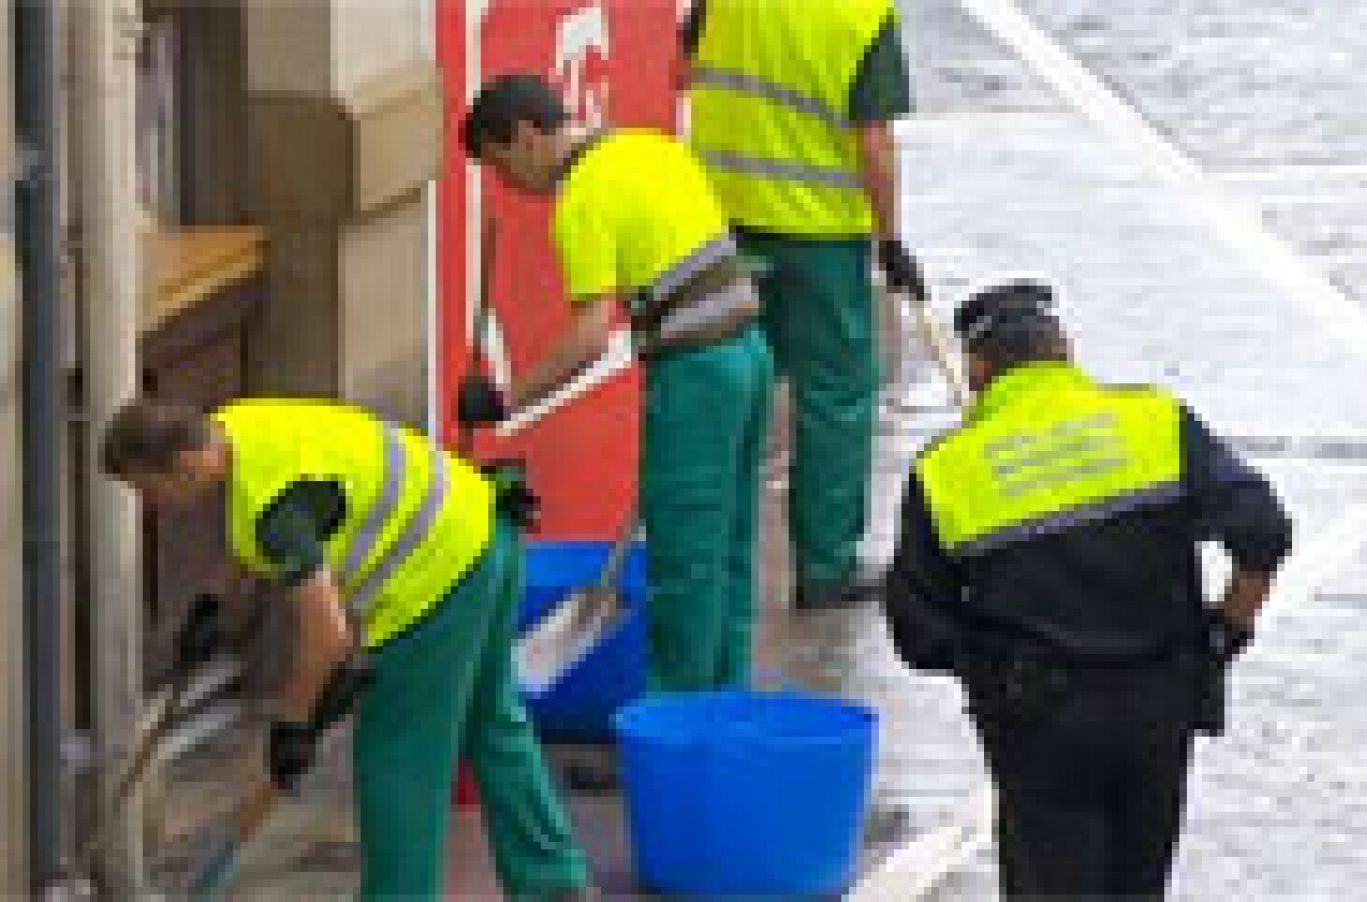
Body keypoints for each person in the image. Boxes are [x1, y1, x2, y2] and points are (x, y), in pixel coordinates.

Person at [883, 281, 1293, 899]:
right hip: (1161, 701)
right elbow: (1264, 532)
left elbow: (918, 632)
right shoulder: (1155, 421)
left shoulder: (948, 469)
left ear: (979, 371)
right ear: (1066, 353)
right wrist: (1226, 632)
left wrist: (995, 664)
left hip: (1039, 721)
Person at [101, 398, 591, 900]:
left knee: (397, 759)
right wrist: (214, 602)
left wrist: (292, 726)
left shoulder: (273, 511)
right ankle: (553, 882)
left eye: (148, 489)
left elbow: (329, 638)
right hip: (486, 525)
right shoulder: (234, 424)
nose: (152, 505)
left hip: (437, 582)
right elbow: (263, 521)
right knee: (490, 719)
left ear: (184, 467)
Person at [459, 74, 774, 692]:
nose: (508, 186)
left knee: (684, 564)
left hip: (697, 377)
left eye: (501, 167)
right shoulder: (650, 148)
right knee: (732, 551)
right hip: (750, 358)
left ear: (525, 137)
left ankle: (671, 730)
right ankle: (724, 708)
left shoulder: (583, 199)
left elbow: (589, 337)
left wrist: (504, 402)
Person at [684, 0, 924, 609]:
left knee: (727, 383)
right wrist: (890, 237)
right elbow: (874, 141)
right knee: (836, 395)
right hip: (818, 235)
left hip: (723, 222)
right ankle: (825, 565)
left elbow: (681, 71)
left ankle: (705, 555)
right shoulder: (862, 17)